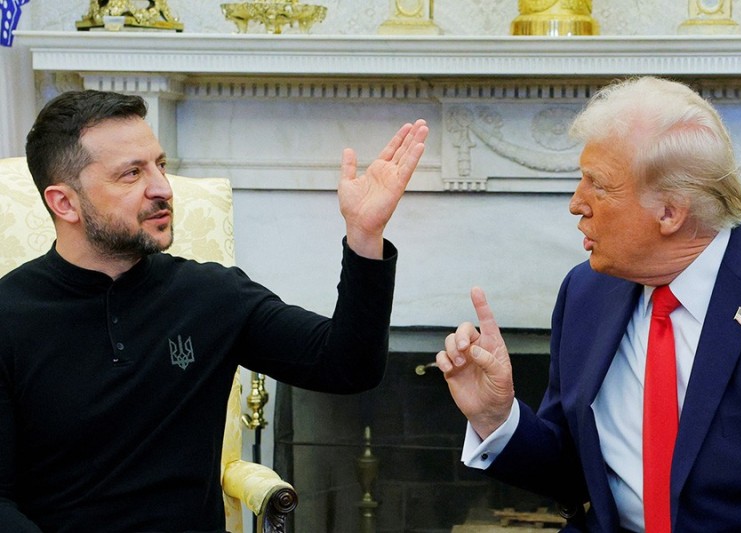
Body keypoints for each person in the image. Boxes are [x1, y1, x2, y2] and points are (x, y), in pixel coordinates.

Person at [0, 89, 427, 531]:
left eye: (160, 165)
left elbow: (350, 366)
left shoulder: (211, 294)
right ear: (64, 202)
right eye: (131, 174)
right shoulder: (9, 316)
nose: (162, 188)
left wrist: (364, 236)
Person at [437, 76, 741, 532]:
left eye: (598, 186)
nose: (576, 203)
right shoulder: (586, 292)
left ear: (670, 212)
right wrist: (496, 417)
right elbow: (572, 471)